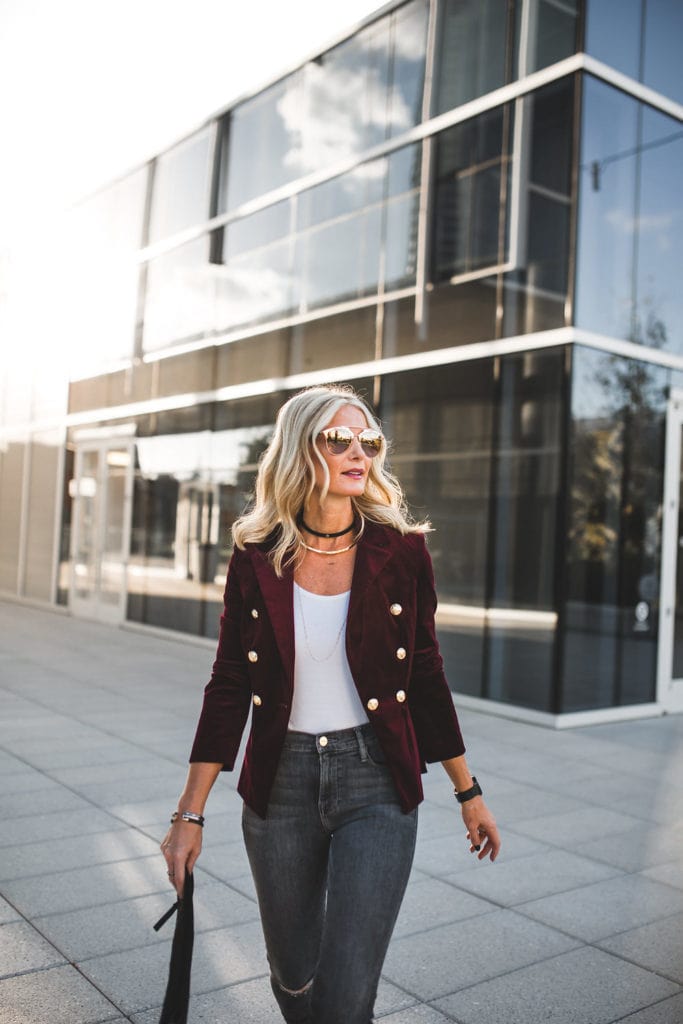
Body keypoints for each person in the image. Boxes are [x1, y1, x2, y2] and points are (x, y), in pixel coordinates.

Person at [160, 384, 500, 1024]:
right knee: (293, 978)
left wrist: (467, 791)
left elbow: (425, 674)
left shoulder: (402, 551)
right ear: (298, 449)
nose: (358, 453)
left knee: (345, 997)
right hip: (280, 783)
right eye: (337, 439)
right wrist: (190, 814)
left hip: (376, 779)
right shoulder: (255, 555)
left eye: (368, 441)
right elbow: (229, 681)